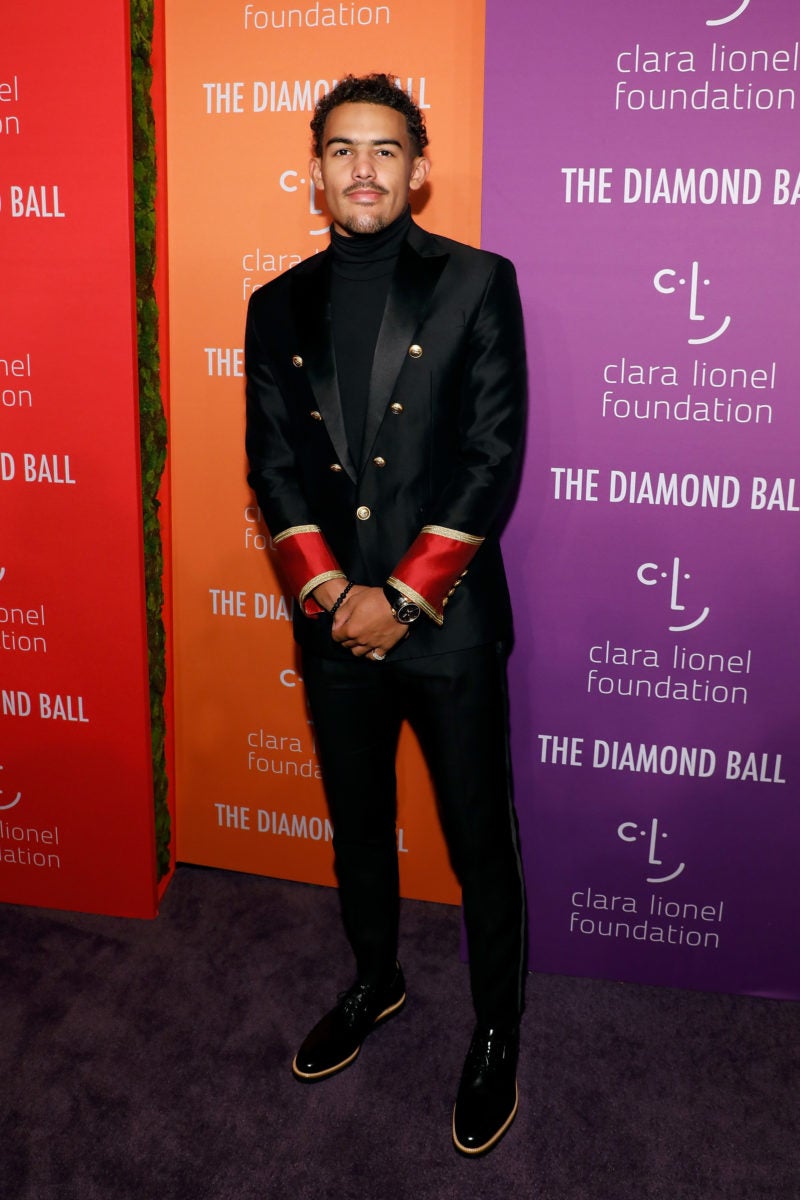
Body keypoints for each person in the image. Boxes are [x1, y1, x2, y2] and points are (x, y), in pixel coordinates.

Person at [245, 73, 528, 1157]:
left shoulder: (478, 282)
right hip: (333, 630)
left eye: (384, 149)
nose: (362, 169)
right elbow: (272, 466)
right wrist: (331, 595)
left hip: (448, 626)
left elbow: (491, 456)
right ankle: (375, 981)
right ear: (314, 170)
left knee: (478, 842)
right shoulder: (274, 305)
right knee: (356, 826)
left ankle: (496, 1031)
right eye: (341, 149)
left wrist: (402, 597)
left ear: (418, 169)